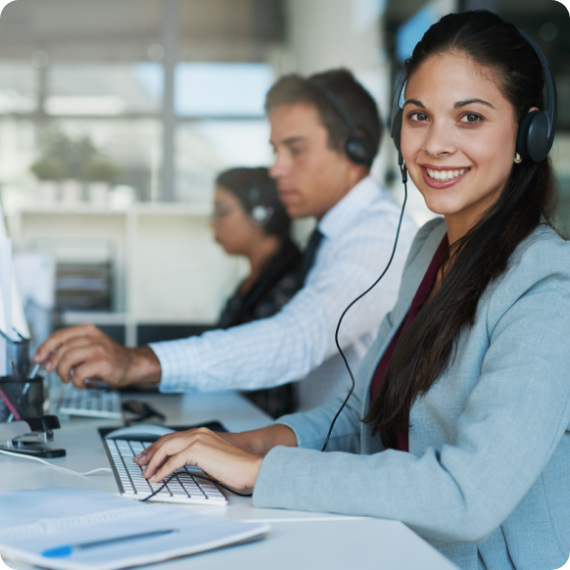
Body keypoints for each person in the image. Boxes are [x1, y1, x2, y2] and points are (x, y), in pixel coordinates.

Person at [132, 11, 570, 569]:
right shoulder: (428, 248)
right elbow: (359, 417)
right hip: (392, 544)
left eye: (470, 118)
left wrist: (263, 472)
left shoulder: (548, 285)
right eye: (419, 116)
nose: (436, 144)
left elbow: (467, 496)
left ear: (528, 136)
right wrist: (250, 444)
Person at [35, 69, 417, 411]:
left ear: (356, 148)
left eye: (295, 149)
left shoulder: (376, 235)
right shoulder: (335, 235)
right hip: (319, 443)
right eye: (275, 150)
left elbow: (297, 338)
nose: (276, 168)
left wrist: (139, 362)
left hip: (350, 461)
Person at [212, 166, 302, 417]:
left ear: (260, 215)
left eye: (221, 211)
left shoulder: (287, 288)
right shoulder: (252, 281)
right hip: (234, 417)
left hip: (260, 430)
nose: (212, 222)